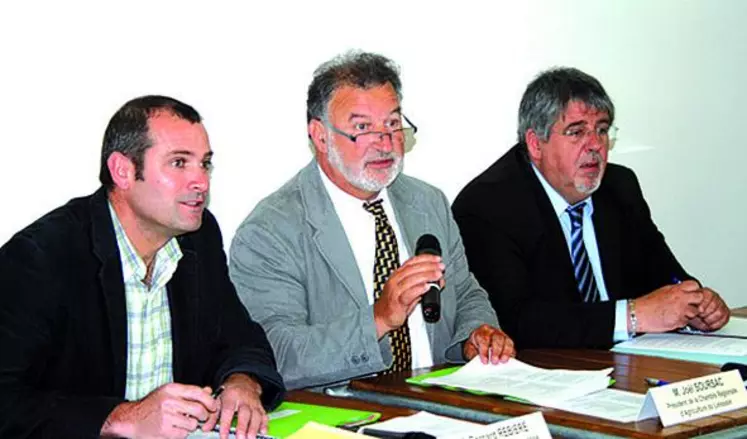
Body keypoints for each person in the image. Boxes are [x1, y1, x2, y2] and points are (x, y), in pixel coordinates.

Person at [0, 96, 285, 439]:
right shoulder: (43, 257)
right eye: (179, 163)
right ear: (123, 170)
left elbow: (239, 335)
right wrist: (122, 418)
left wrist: (242, 382)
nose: (201, 183)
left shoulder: (198, 237)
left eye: (205, 164)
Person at [229, 51, 514, 391]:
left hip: (440, 402)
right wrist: (378, 318)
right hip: (344, 414)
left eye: (393, 124)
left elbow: (465, 292)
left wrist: (476, 334)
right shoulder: (270, 230)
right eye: (363, 127)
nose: (385, 143)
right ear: (320, 136)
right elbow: (278, 354)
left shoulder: (428, 202)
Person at [452, 67, 730, 349]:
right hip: (549, 373)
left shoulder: (620, 186)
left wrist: (697, 302)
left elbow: (665, 273)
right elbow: (514, 320)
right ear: (536, 144)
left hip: (626, 363)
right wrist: (632, 316)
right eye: (577, 132)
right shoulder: (488, 206)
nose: (595, 145)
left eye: (602, 130)